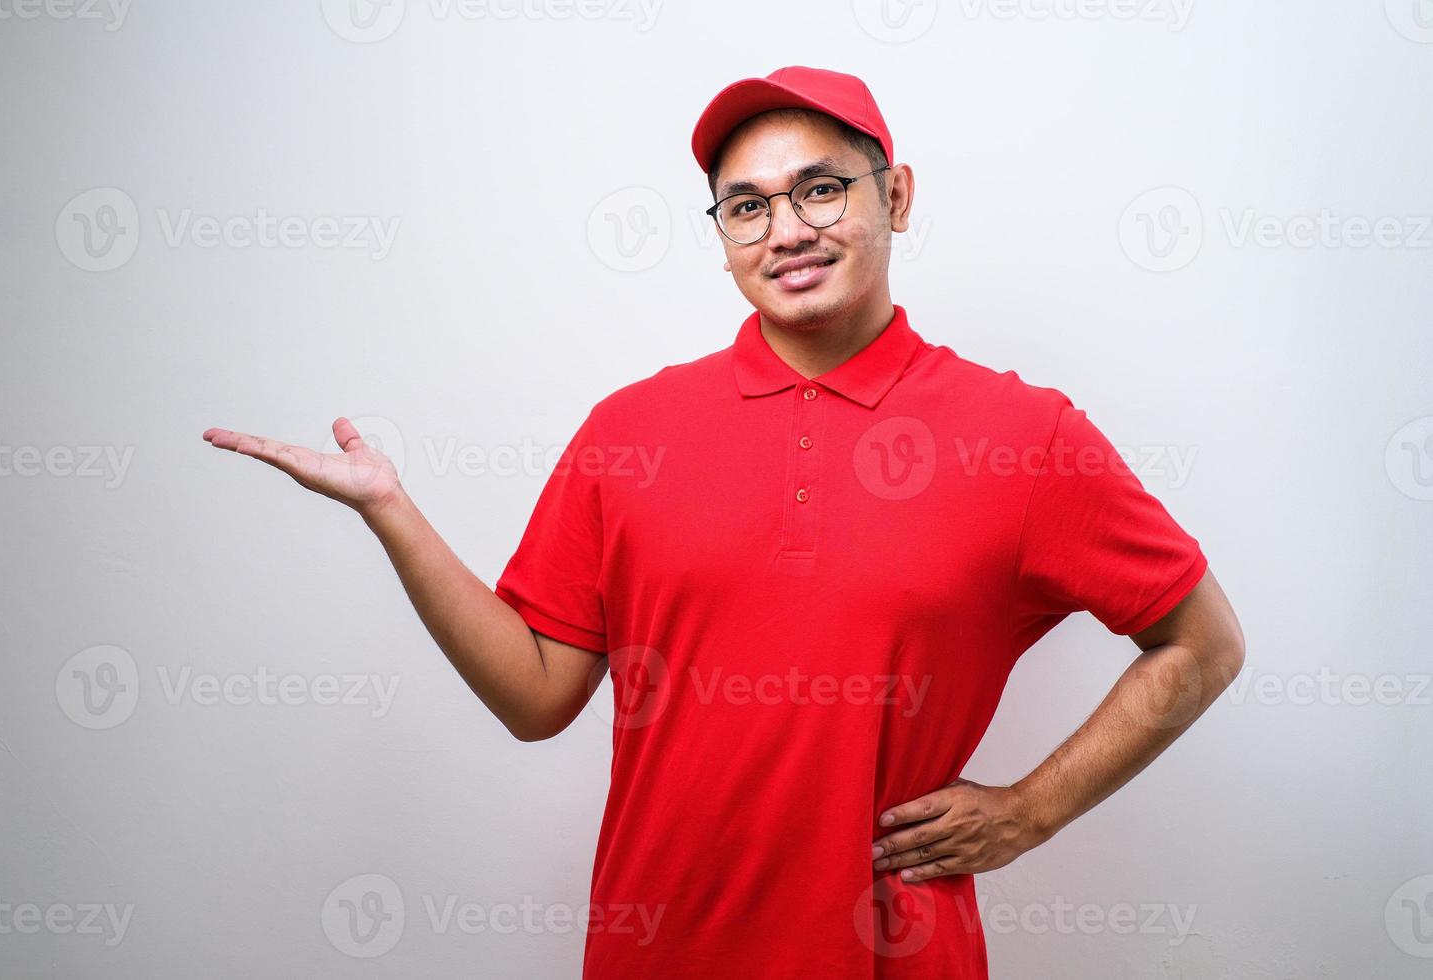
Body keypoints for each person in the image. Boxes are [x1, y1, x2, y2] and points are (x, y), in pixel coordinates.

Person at [202, 65, 1246, 978]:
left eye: (821, 190)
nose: (786, 230)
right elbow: (535, 695)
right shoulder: (632, 431)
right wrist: (392, 511)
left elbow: (1203, 642)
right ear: (722, 237)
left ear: (900, 196)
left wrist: (1032, 808)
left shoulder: (1021, 437)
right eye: (745, 207)